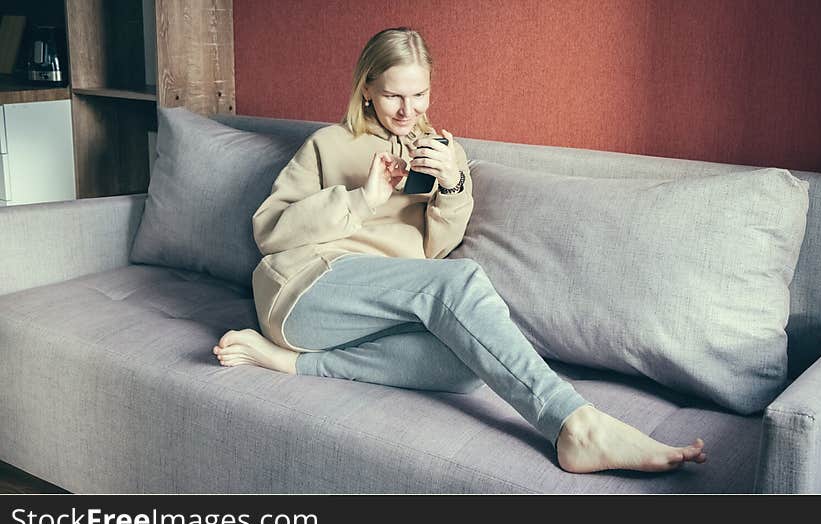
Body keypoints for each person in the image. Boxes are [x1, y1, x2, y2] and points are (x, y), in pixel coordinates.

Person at [213, 27, 706, 474]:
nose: (408, 110)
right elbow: (270, 231)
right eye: (393, 95)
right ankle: (576, 425)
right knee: (463, 281)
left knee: (471, 360)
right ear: (366, 88)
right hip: (305, 289)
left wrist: (452, 184)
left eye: (420, 94)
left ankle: (292, 363)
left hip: (383, 307)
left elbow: (435, 249)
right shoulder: (328, 144)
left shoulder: (443, 151)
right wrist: (362, 200)